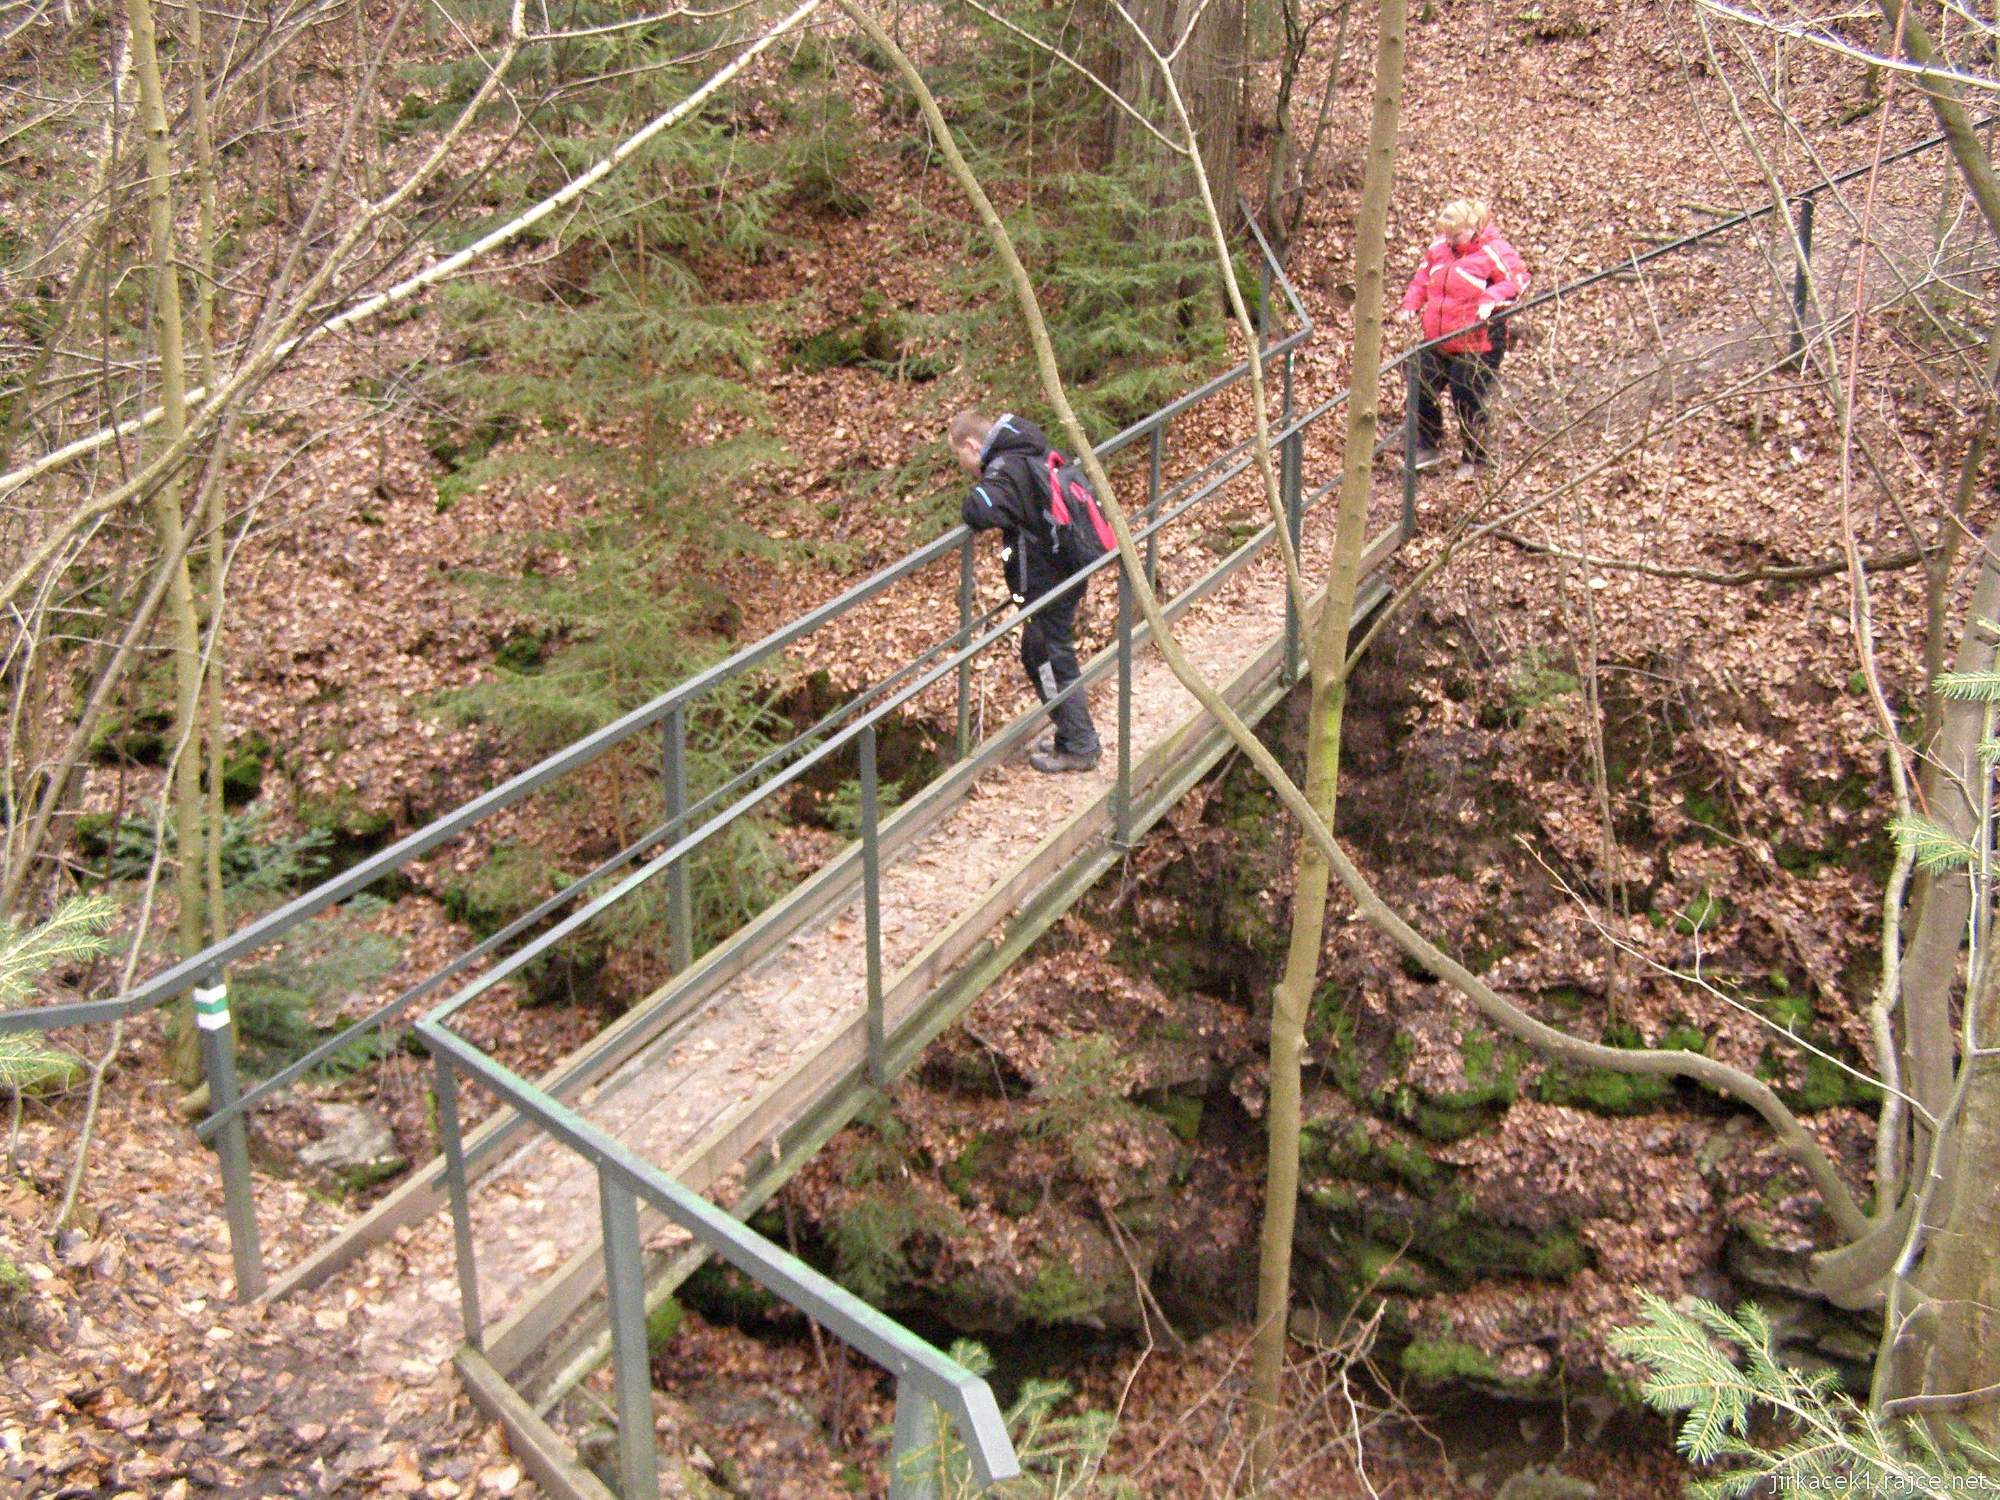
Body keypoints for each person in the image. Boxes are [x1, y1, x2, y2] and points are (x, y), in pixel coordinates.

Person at [949, 410, 1103, 774]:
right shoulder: (1024, 450)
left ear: (972, 445)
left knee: (1049, 656)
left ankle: (1081, 745)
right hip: (1061, 566)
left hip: (1049, 577)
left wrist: (977, 490)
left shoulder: (1005, 467)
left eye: (961, 457)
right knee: (1042, 653)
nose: (963, 466)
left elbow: (981, 509)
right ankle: (1072, 737)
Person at [1397, 198, 1529, 481]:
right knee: (1419, 379)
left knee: (1465, 389)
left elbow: (1517, 280)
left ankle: (1477, 456)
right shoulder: (1438, 250)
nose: (1451, 241)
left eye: (1456, 235)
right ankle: (1428, 445)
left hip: (1480, 340)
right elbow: (1423, 279)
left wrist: (1491, 299)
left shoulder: (1493, 252)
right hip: (1440, 337)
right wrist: (1411, 303)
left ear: (1474, 228)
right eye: (1447, 235)